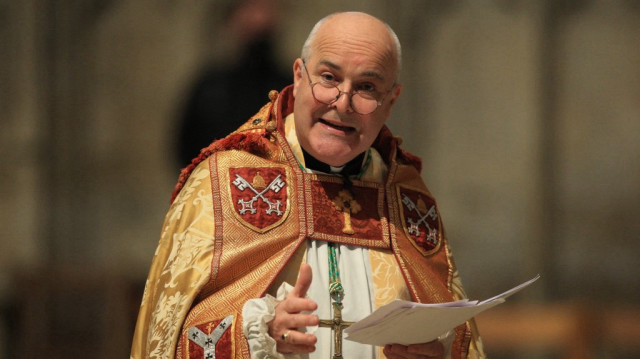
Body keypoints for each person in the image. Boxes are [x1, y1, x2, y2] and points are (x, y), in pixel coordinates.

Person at [131, 11, 485, 359]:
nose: (342, 103)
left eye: (366, 87)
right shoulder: (221, 183)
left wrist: (435, 351)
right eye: (329, 78)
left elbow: (458, 339)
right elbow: (165, 340)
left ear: (390, 101)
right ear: (299, 77)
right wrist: (256, 336)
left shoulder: (408, 198)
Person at [177, 0, 290, 168]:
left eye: (265, 9)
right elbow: (187, 145)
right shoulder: (211, 87)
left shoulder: (289, 86)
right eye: (250, 9)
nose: (259, 19)